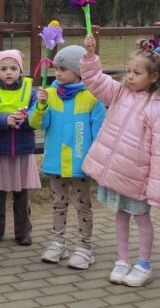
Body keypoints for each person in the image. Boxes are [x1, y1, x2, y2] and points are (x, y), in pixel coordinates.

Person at [80, 36, 160, 288]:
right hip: (117, 175)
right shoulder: (120, 93)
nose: (130, 77)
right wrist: (90, 56)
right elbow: (96, 80)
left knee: (142, 219)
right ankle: (122, 260)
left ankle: (144, 264)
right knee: (121, 216)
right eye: (129, 71)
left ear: (154, 77)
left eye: (137, 73)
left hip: (138, 179)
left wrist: (156, 190)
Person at [29, 45, 104, 269]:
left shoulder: (92, 97)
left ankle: (85, 247)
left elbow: (100, 132)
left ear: (78, 71)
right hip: (56, 163)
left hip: (81, 165)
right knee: (58, 204)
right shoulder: (50, 94)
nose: (57, 73)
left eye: (63, 69)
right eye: (56, 68)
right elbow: (36, 123)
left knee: (83, 206)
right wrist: (41, 106)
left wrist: (97, 160)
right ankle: (58, 242)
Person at [0, 49, 40, 248]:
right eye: (3, 68)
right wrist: (5, 120)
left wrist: (24, 120)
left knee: (22, 196)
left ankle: (23, 232)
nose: (8, 72)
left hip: (22, 151)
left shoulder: (31, 93)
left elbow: (36, 117)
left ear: (20, 70)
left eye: (13, 68)